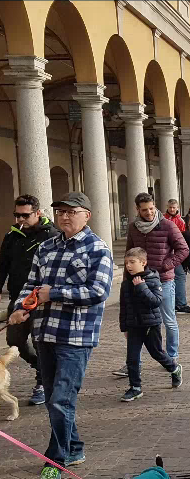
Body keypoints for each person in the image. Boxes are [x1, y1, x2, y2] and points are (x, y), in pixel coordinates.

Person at [7, 192, 113, 479]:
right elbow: (30, 285)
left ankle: (57, 459)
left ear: (86, 215)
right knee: (56, 397)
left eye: (71, 211)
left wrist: (53, 294)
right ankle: (74, 446)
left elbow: (98, 292)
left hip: (76, 337)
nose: (64, 216)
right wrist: (20, 308)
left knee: (61, 399)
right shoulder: (46, 247)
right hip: (45, 333)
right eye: (60, 212)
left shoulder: (97, 249)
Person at [0, 194, 59, 406]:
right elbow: (2, 267)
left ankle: (42, 382)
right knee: (14, 340)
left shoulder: (52, 235)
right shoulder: (12, 236)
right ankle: (41, 367)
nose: (20, 220)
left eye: (25, 215)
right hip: (18, 297)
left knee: (40, 341)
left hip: (42, 299)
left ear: (38, 213)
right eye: (17, 215)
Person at [126, 193, 189, 365]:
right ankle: (133, 362)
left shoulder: (167, 225)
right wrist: (128, 278)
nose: (149, 213)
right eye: (144, 210)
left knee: (168, 320)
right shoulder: (133, 227)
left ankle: (172, 355)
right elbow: (129, 253)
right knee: (137, 321)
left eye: (152, 208)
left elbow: (183, 249)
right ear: (137, 209)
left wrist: (166, 265)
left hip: (163, 279)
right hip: (140, 280)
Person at [118, 247, 183, 403]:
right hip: (134, 326)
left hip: (150, 325)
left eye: (132, 262)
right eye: (127, 263)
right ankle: (135, 388)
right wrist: (124, 327)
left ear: (143, 262)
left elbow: (155, 302)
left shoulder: (152, 279)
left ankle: (174, 368)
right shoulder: (126, 283)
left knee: (157, 353)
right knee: (132, 358)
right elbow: (124, 306)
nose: (129, 266)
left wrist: (141, 287)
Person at [163, 199, 190, 313]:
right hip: (168, 251)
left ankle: (177, 302)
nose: (172, 209)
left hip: (176, 252)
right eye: (170, 207)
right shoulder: (163, 219)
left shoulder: (181, 221)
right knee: (176, 277)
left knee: (178, 277)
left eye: (174, 207)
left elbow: (182, 237)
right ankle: (179, 303)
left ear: (177, 207)